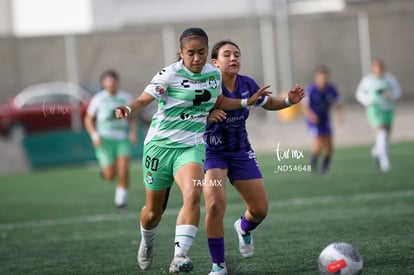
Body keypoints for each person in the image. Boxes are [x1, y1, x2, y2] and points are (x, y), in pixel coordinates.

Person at [114, 28, 271, 274]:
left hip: (191, 146)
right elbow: (144, 100)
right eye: (191, 54)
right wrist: (128, 108)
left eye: (201, 53)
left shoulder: (213, 74)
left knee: (193, 194)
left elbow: (218, 101)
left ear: (207, 52)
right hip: (159, 147)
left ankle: (179, 256)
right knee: (153, 212)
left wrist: (245, 102)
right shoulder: (169, 74)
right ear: (181, 53)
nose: (197, 58)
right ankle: (147, 240)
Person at [203, 40, 305, 275]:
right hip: (211, 152)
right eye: (226, 54)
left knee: (259, 210)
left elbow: (267, 102)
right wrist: (207, 116)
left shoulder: (246, 83)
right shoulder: (207, 86)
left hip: (240, 151)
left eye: (237, 54)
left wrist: (289, 100)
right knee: (215, 204)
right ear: (215, 62)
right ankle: (218, 266)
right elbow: (188, 113)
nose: (233, 58)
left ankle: (243, 227)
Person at [84, 70, 137, 210]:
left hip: (122, 140)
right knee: (110, 175)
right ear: (103, 83)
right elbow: (88, 120)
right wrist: (94, 136)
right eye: (108, 80)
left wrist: (132, 132)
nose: (111, 83)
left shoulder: (125, 97)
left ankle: (120, 202)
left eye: (114, 80)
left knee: (124, 170)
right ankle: (106, 172)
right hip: (104, 140)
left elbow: (132, 117)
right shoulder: (98, 99)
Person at [356, 59, 401, 172]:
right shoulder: (368, 80)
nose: (378, 70)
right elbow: (359, 94)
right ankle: (384, 162)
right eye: (376, 68)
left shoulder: (389, 79)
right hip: (375, 109)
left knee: (386, 136)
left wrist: (390, 95)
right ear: (373, 69)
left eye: (380, 68)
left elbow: (398, 91)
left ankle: (376, 151)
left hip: (388, 109)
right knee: (382, 133)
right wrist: (368, 100)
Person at [301, 66, 343, 174]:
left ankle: (325, 166)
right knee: (319, 144)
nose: (323, 80)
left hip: (325, 119)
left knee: (329, 144)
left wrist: (339, 115)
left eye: (325, 77)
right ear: (316, 78)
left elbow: (338, 103)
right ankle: (312, 162)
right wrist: (312, 115)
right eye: (320, 77)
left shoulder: (331, 89)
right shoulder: (311, 90)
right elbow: (304, 106)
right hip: (313, 121)